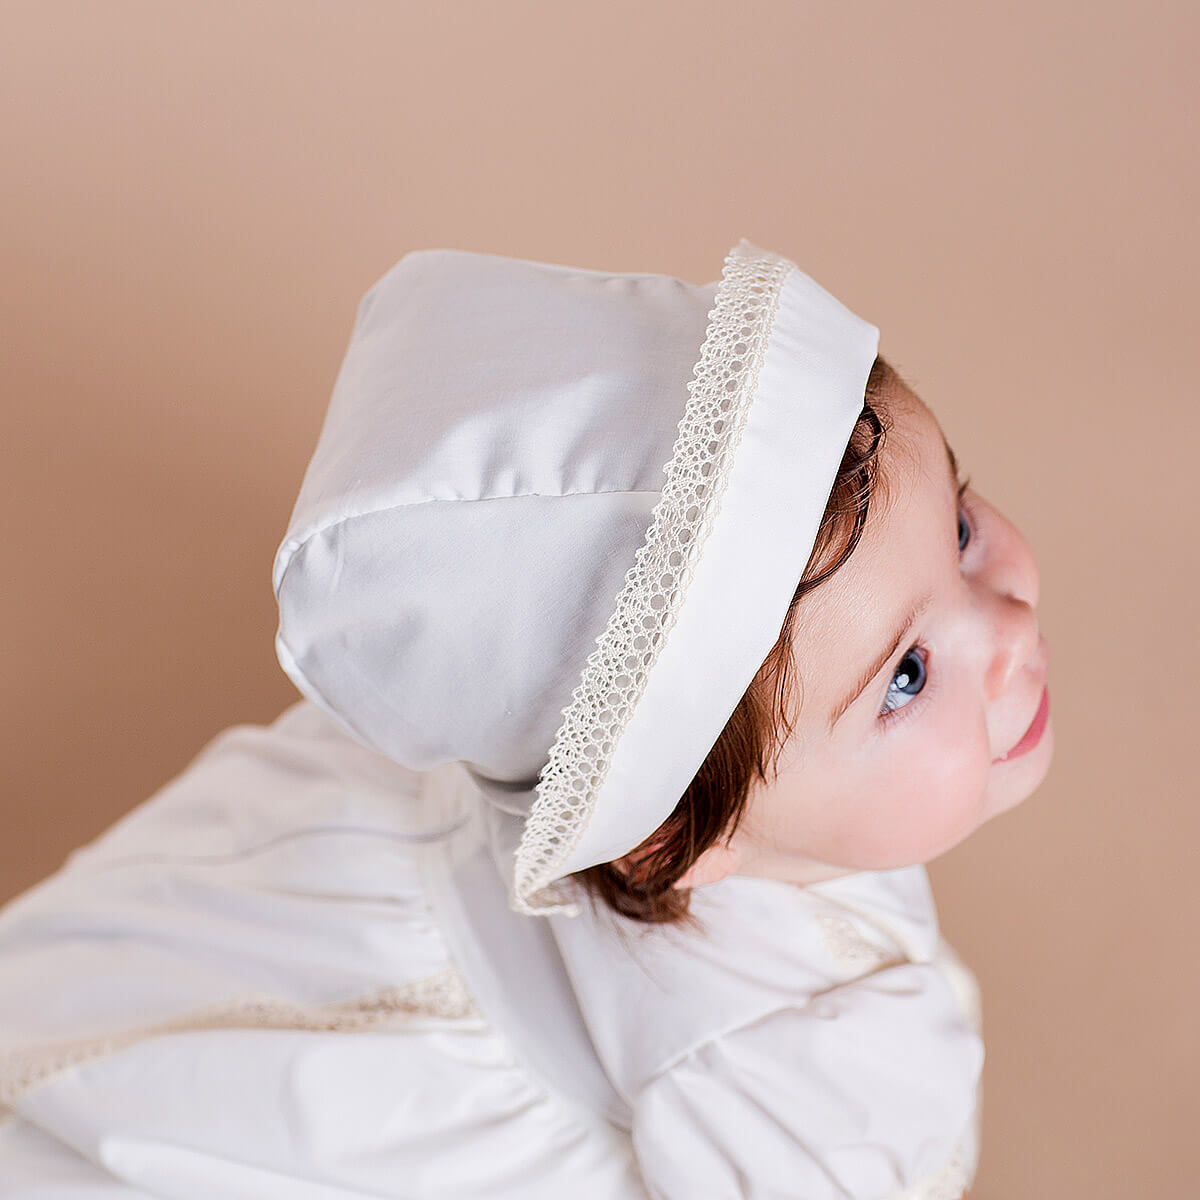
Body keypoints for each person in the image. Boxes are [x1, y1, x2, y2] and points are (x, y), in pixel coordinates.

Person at [0, 239, 1052, 1198]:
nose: (1004, 631)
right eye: (906, 677)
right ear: (679, 843)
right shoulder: (796, 1060)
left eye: (957, 524)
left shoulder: (589, 751)